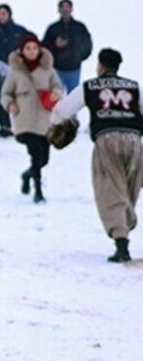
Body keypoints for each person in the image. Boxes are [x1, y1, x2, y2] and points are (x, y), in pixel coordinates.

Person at [50, 49, 143, 263]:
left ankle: (121, 242)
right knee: (129, 189)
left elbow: (62, 109)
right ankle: (125, 227)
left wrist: (57, 128)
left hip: (107, 138)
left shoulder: (90, 86)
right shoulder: (133, 87)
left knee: (110, 188)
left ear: (100, 66)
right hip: (134, 139)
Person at [1, 34, 63, 204]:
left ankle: (27, 175)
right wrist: (10, 104)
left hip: (44, 119)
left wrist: (55, 94)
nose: (31, 51)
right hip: (24, 119)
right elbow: (5, 93)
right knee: (35, 154)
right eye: (27, 48)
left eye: (34, 48)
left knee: (44, 159)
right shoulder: (15, 71)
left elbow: (58, 86)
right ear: (22, 50)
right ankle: (38, 190)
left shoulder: (48, 69)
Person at [0, 4, 28, 138]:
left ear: (9, 15)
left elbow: (31, 45)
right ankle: (5, 126)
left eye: (4, 13)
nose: (1, 16)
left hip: (16, 71)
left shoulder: (19, 31)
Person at [42, 0, 92, 93]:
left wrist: (78, 56)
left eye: (67, 7)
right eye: (62, 7)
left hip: (74, 69)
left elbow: (87, 45)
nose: (65, 9)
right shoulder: (52, 28)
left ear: (71, 9)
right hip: (57, 69)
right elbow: (44, 48)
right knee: (56, 97)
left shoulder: (79, 27)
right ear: (59, 10)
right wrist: (55, 45)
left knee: (73, 98)